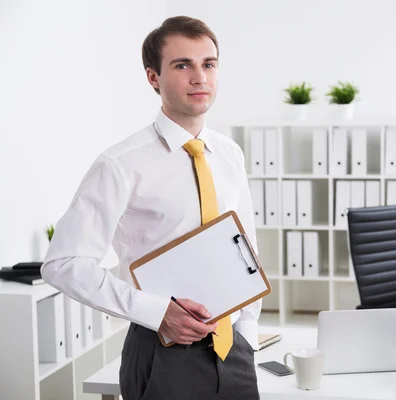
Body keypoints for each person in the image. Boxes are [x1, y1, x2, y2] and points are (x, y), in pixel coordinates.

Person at [41, 16, 261, 400]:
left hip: (233, 352)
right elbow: (62, 264)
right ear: (153, 78)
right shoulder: (120, 164)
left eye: (208, 64)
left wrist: (248, 334)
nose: (200, 78)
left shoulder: (229, 154)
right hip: (163, 354)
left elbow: (244, 246)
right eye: (182, 65)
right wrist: (157, 313)